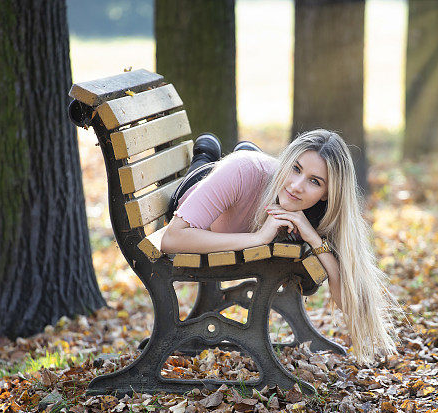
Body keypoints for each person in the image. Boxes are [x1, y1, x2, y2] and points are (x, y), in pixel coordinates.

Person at [161, 129, 398, 365]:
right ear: (287, 162)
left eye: (314, 182)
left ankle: (246, 151)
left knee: (256, 176)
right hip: (211, 204)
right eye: (296, 168)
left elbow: (348, 303)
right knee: (215, 170)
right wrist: (257, 238)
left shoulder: (323, 214)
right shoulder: (242, 173)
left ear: (328, 193)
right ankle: (206, 154)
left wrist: (315, 239)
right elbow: (171, 239)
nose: (296, 186)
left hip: (254, 189)